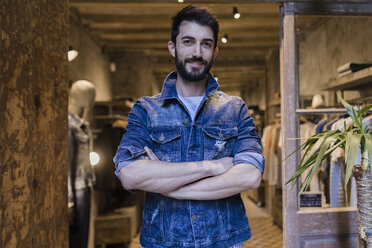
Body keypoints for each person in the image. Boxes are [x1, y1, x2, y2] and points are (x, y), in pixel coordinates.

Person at [113, 5, 265, 248]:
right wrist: (213, 166)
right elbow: (130, 175)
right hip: (163, 242)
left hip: (224, 242)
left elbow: (249, 176)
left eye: (206, 44)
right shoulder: (145, 110)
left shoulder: (235, 109)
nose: (197, 52)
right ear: (173, 47)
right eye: (188, 41)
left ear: (215, 51)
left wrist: (170, 186)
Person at [68, 80, 96, 248]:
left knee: (83, 237)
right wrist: (69, 201)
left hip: (85, 187)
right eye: (90, 95)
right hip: (77, 190)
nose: (93, 99)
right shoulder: (70, 126)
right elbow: (67, 166)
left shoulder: (81, 124)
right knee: (76, 238)